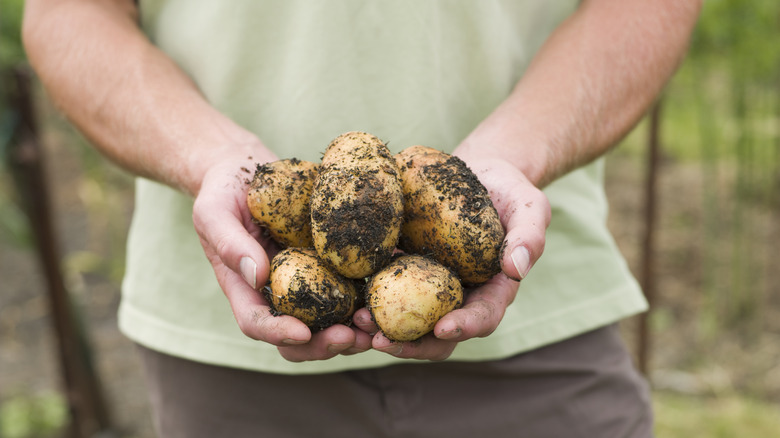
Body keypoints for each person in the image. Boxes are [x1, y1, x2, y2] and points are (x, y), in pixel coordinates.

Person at [23, 0, 701, 437]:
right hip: (225, 346)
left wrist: (511, 156)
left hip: (544, 321)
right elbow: (66, 12)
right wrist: (213, 161)